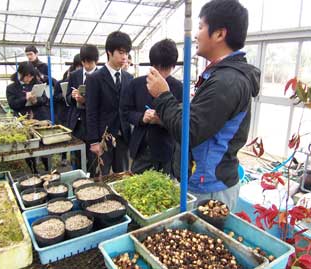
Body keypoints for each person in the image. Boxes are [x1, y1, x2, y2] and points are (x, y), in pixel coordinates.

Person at [145, 0, 260, 210]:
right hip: (202, 180)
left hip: (209, 188)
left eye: (200, 27)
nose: (195, 35)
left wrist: (163, 95)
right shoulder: (219, 76)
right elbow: (201, 121)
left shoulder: (227, 81)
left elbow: (191, 131)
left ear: (219, 34)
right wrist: (168, 114)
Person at [121, 39, 182, 174]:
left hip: (166, 149)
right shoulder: (136, 84)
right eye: (157, 68)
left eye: (165, 69)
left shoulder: (178, 87)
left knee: (163, 187)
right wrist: (142, 117)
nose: (160, 74)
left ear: (173, 66)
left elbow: (182, 121)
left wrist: (161, 120)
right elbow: (125, 112)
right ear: (152, 65)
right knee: (136, 184)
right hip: (141, 148)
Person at [86, 31, 133, 175]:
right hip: (103, 138)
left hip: (123, 137)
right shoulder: (95, 78)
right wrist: (94, 141)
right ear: (109, 52)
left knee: (123, 176)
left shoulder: (128, 77)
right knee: (101, 176)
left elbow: (129, 108)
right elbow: (91, 111)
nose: (124, 57)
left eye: (126, 53)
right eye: (120, 52)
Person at [6, 61, 50, 174]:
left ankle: (47, 167)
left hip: (39, 117)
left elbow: (45, 99)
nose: (28, 79)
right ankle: (33, 169)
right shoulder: (11, 88)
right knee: (28, 144)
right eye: (26, 76)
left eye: (31, 76)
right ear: (20, 73)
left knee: (43, 143)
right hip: (23, 119)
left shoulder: (37, 84)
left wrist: (36, 100)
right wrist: (25, 98)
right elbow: (12, 104)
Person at [66, 44, 99, 175]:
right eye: (84, 61)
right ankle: (79, 180)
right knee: (78, 157)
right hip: (77, 123)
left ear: (95, 60)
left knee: (93, 159)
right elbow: (67, 98)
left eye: (89, 62)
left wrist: (85, 101)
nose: (86, 65)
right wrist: (73, 97)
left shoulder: (101, 76)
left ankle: (93, 182)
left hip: (93, 125)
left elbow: (103, 103)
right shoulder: (75, 75)